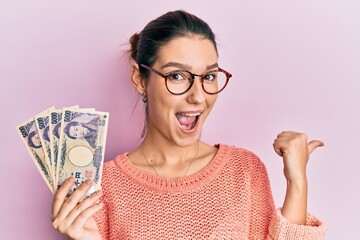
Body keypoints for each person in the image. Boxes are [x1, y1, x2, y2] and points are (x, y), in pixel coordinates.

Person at [51, 10, 326, 239]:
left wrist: (297, 181)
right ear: (139, 79)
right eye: (178, 76)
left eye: (209, 76)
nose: (198, 96)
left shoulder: (244, 171)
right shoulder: (100, 188)